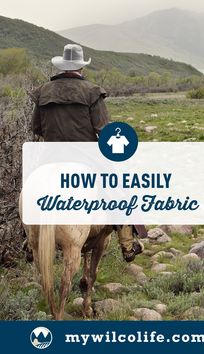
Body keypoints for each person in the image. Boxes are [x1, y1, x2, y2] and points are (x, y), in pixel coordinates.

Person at [31, 43, 145, 262]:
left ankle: (28, 240)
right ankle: (127, 244)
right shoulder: (92, 91)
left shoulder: (43, 92)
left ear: (62, 66)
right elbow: (103, 130)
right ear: (81, 68)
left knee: (31, 187)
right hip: (87, 158)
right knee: (118, 189)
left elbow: (36, 127)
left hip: (50, 158)